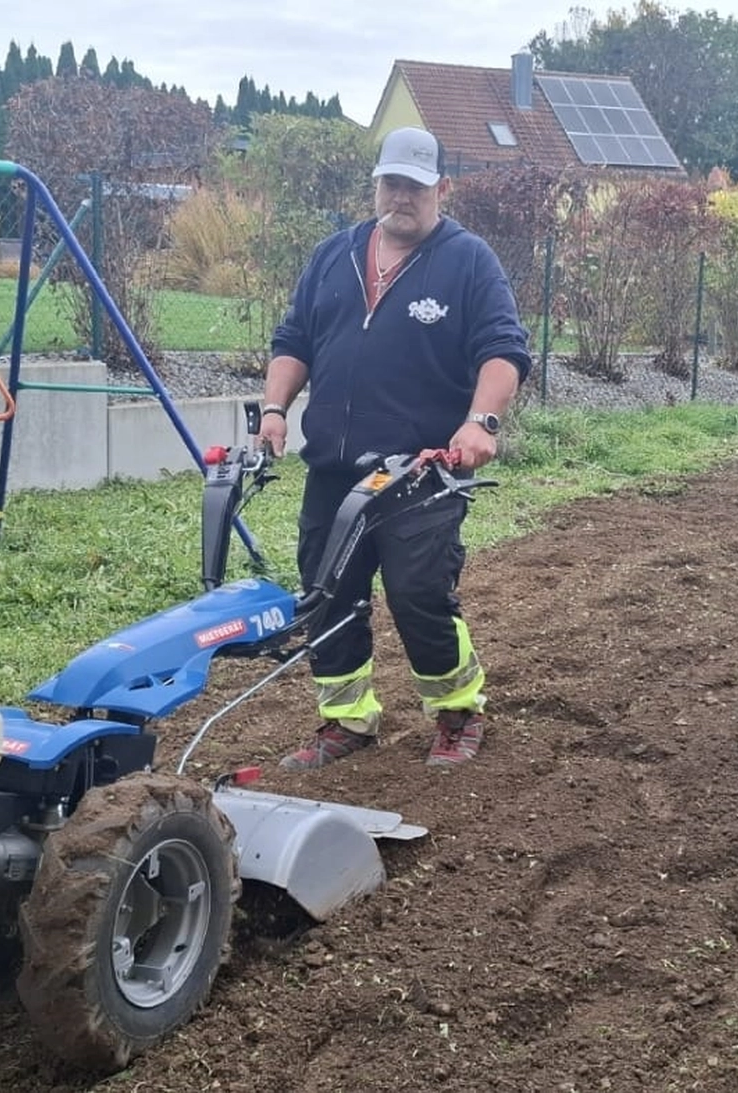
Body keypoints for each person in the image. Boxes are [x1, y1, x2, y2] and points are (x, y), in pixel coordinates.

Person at [259, 126, 530, 771]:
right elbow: (294, 338)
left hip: (420, 473)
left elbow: (503, 350)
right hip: (333, 469)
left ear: (441, 187)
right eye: (391, 183)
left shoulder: (468, 261)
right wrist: (275, 408)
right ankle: (346, 720)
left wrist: (481, 424)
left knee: (418, 595)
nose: (400, 196)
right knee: (328, 594)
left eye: (414, 184)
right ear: (376, 183)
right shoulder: (335, 255)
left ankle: (459, 711)